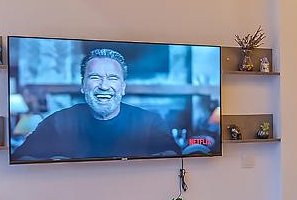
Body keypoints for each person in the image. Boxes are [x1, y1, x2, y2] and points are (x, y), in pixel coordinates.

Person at [15, 47, 182, 160]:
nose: (104, 86)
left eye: (112, 78)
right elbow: (21, 158)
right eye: (95, 77)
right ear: (83, 85)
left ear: (123, 87)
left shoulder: (150, 121)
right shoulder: (58, 122)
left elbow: (173, 156)